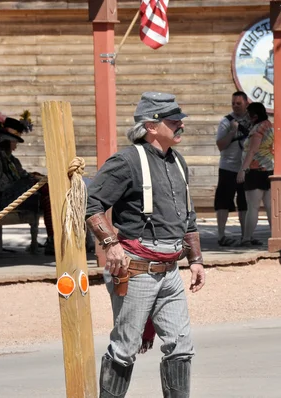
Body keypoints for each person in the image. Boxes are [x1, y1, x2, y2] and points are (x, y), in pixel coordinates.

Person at [86, 92, 206, 398]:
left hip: (170, 271)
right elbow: (91, 203)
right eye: (172, 120)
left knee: (181, 347)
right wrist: (111, 243)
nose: (180, 124)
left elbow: (187, 215)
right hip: (136, 270)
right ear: (151, 126)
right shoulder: (126, 161)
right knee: (124, 348)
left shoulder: (177, 161)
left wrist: (196, 259)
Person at [0, 112, 55, 255]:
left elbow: (22, 174)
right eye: (13, 141)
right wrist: (27, 182)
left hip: (16, 195)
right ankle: (52, 240)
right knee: (44, 188)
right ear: (4, 140)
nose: (15, 146)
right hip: (2, 199)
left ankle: (53, 239)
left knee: (49, 196)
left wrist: (33, 177)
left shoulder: (12, 160)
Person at [214, 91, 250, 247]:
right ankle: (221, 236)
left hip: (246, 168)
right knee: (223, 202)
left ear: (246, 104)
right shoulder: (226, 122)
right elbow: (220, 145)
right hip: (228, 167)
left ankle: (245, 236)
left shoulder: (252, 121)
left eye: (239, 103)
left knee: (245, 203)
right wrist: (232, 132)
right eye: (233, 103)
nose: (235, 106)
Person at [237, 102, 274, 246]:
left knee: (253, 207)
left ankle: (246, 238)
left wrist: (242, 169)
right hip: (269, 170)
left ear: (255, 115)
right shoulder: (269, 126)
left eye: (249, 114)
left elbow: (252, 150)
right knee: (270, 206)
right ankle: (275, 236)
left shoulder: (257, 129)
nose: (246, 117)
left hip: (255, 170)